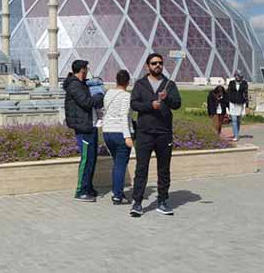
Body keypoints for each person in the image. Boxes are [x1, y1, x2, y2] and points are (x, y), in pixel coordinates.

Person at [129, 53, 181, 216]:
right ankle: (137, 202)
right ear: (148, 66)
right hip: (145, 133)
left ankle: (163, 200)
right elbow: (134, 104)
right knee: (141, 169)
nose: (157, 65)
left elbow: (177, 104)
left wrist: (167, 99)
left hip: (164, 133)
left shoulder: (169, 84)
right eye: (154, 63)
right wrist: (150, 105)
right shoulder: (140, 84)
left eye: (160, 63)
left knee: (164, 169)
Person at [64, 59, 105, 202]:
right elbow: (86, 103)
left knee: (92, 158)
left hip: (90, 125)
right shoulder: (75, 86)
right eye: (86, 68)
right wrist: (99, 97)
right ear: (82, 70)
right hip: (83, 128)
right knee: (86, 159)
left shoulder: (81, 84)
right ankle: (80, 190)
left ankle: (88, 187)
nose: (87, 71)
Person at [102, 69, 134, 205]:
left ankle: (117, 191)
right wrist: (128, 136)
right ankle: (118, 195)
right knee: (121, 165)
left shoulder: (108, 93)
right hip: (120, 133)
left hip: (107, 132)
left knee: (117, 163)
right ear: (128, 82)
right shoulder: (126, 96)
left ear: (116, 80)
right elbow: (123, 116)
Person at [226, 71, 249, 142]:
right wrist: (227, 102)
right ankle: (236, 136)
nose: (237, 77)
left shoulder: (244, 83)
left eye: (239, 76)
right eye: (236, 76)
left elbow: (246, 94)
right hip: (232, 103)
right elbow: (228, 92)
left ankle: (236, 134)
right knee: (234, 120)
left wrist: (247, 105)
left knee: (238, 120)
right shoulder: (231, 83)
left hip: (240, 103)